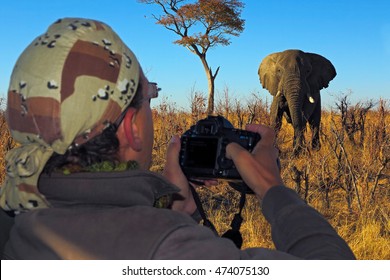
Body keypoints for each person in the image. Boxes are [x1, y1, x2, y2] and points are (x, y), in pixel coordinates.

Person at [0, 18, 355, 260]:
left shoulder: (12, 222)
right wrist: (274, 190)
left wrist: (175, 213)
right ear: (131, 128)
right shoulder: (174, 250)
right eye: (148, 96)